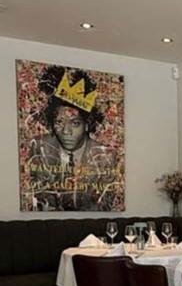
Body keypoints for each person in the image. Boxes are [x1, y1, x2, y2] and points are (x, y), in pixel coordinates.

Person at [25, 66, 122, 211]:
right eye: (59, 122)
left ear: (87, 125)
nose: (66, 131)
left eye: (75, 123)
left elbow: (104, 205)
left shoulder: (106, 157)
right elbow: (38, 195)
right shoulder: (39, 147)